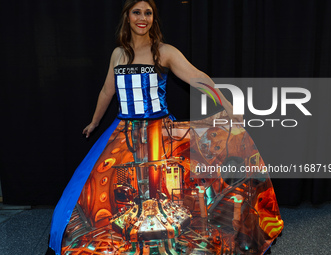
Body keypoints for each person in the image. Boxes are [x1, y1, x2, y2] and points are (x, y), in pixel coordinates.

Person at [48, 1, 283, 255]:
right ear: (127, 17)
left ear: (153, 18)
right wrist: (94, 122)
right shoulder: (118, 54)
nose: (142, 18)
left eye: (148, 13)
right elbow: (108, 90)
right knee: (86, 192)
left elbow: (198, 78)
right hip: (123, 132)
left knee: (166, 192)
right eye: (136, 12)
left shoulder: (164, 52)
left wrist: (226, 106)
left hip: (159, 131)